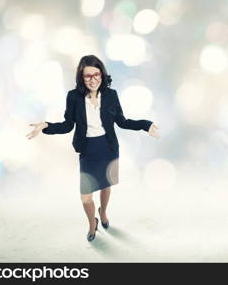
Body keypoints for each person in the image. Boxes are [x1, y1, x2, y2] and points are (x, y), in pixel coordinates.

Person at [26, 55, 160, 242]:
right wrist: (46, 126)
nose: (92, 79)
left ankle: (103, 212)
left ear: (102, 75)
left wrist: (146, 125)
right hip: (88, 149)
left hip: (108, 147)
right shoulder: (73, 97)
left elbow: (122, 122)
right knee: (86, 197)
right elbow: (67, 125)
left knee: (106, 185)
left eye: (96, 74)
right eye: (87, 76)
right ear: (81, 78)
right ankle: (92, 223)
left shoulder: (111, 95)